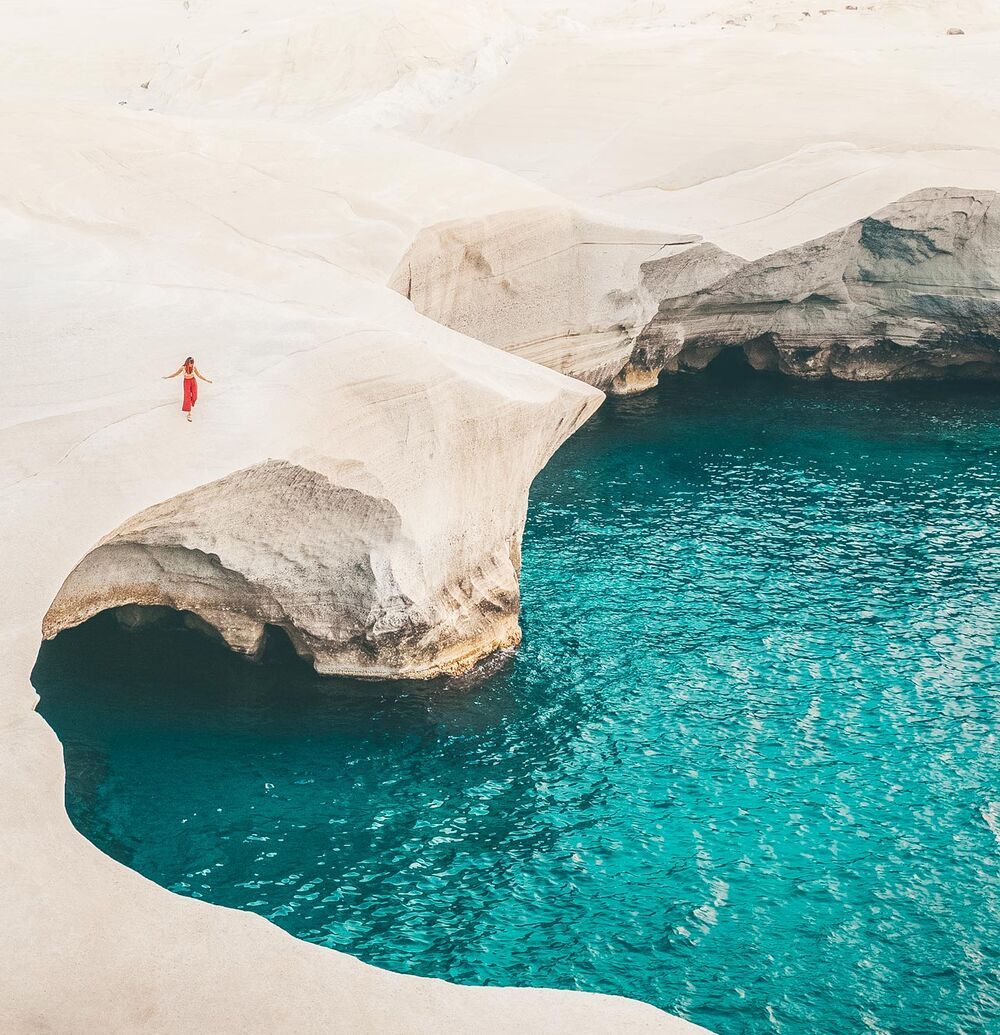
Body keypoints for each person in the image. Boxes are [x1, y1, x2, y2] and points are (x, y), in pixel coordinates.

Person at [163, 357, 213, 421]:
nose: (191, 365)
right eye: (190, 363)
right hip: (186, 382)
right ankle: (189, 413)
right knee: (187, 397)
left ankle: (190, 402)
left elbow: (199, 375)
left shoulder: (194, 367)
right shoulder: (183, 368)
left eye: (192, 363)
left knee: (195, 396)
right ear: (187, 362)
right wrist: (167, 377)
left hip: (193, 381)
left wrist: (207, 380)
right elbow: (176, 374)